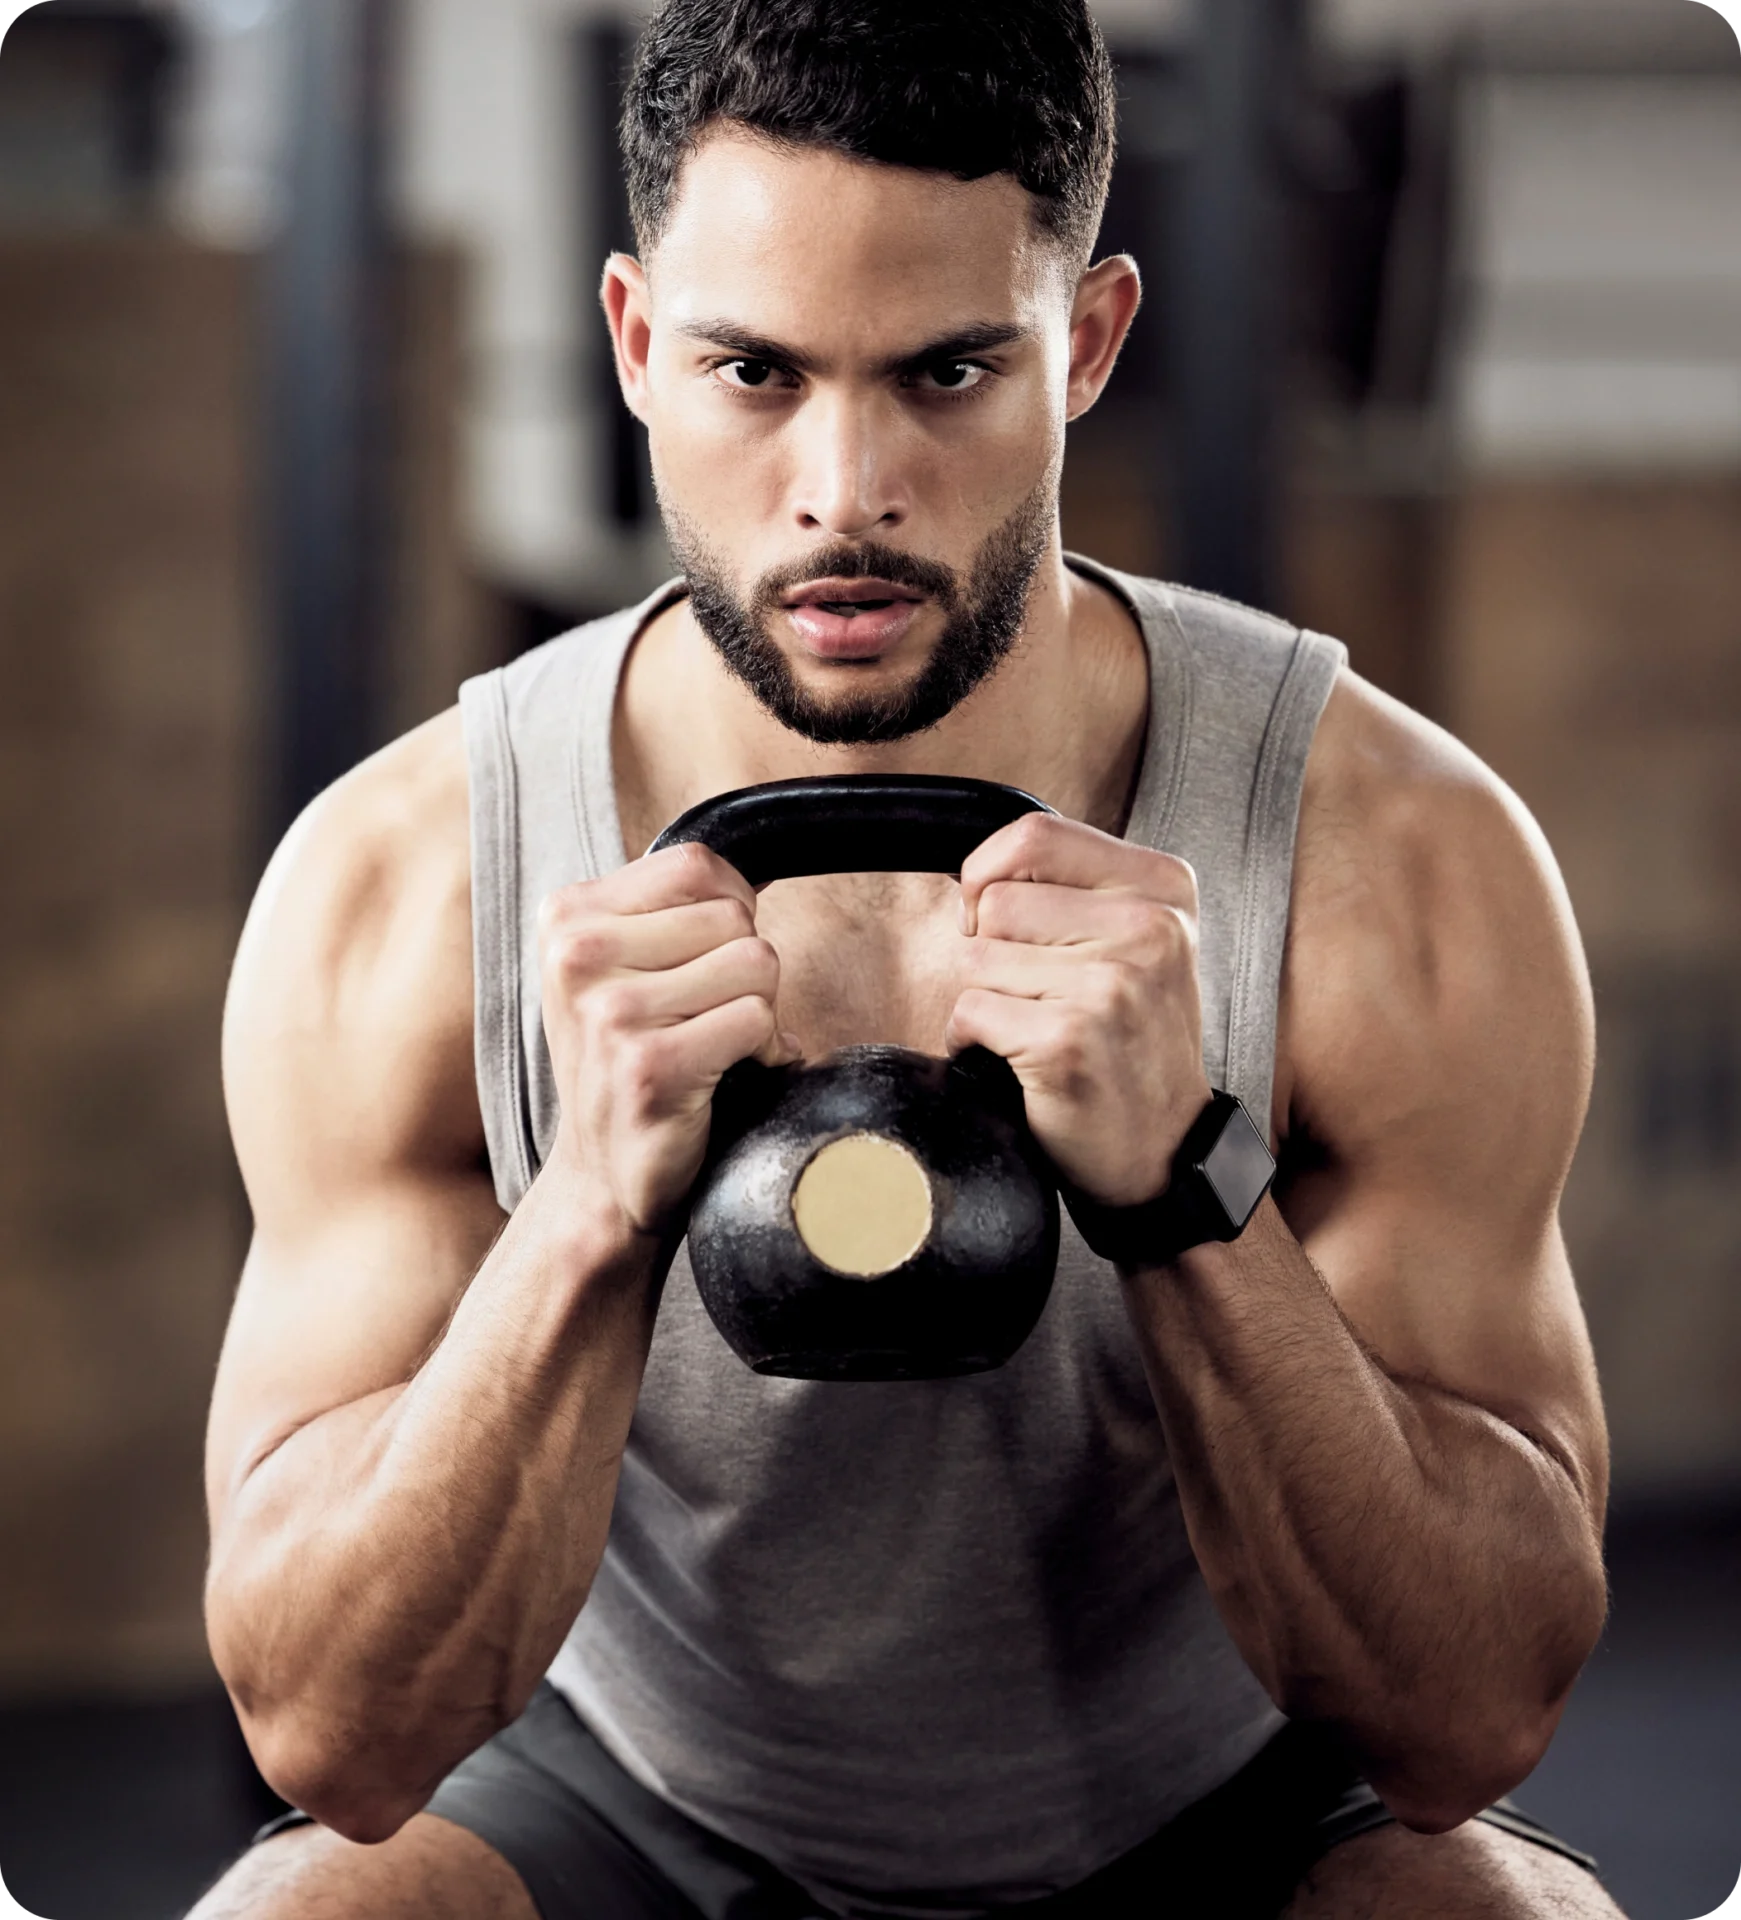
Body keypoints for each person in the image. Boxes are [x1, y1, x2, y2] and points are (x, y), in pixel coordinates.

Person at [191, 3, 1625, 1916]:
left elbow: (1472, 1723)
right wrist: (586, 1216)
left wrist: (1192, 1185)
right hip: (641, 1811)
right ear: (632, 344)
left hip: (1212, 1812)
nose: (843, 485)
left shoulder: (1400, 859)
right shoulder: (405, 882)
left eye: (948, 371)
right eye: (753, 372)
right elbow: (328, 1734)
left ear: (1087, 345)